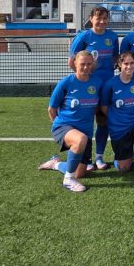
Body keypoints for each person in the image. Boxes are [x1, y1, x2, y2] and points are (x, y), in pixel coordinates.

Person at [38, 51, 102, 192]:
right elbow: (51, 109)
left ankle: (56, 164)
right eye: (82, 64)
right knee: (80, 139)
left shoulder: (97, 82)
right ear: (74, 63)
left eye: (89, 64)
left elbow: (98, 106)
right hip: (64, 126)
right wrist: (59, 128)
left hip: (85, 130)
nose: (86, 67)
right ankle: (68, 180)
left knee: (80, 172)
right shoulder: (66, 83)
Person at [68, 6, 119, 171]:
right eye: (99, 18)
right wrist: (83, 78)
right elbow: (72, 61)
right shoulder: (83, 36)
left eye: (105, 18)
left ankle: (99, 156)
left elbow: (115, 58)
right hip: (88, 87)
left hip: (106, 85)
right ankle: (86, 158)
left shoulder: (112, 36)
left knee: (103, 121)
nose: (102, 22)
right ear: (91, 19)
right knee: (87, 121)